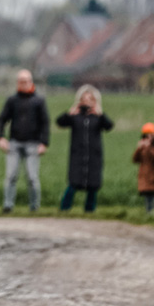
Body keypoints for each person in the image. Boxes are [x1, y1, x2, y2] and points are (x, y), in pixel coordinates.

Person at [55, 85, 114, 213]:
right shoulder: (75, 116)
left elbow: (109, 126)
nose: (87, 102)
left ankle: (89, 210)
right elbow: (59, 122)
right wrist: (69, 113)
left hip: (94, 155)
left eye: (90, 99)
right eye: (84, 99)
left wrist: (101, 114)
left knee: (93, 185)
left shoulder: (98, 117)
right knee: (73, 183)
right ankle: (64, 208)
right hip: (77, 155)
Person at [0, 71, 46, 211]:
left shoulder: (38, 101)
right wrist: (0, 137)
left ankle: (34, 206)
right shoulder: (12, 100)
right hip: (15, 143)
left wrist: (44, 142)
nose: (23, 84)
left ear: (31, 82)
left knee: (32, 177)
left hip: (33, 143)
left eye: (26, 81)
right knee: (11, 176)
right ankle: (8, 205)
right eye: (20, 81)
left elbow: (45, 122)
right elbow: (2, 119)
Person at [133, 123, 154, 214]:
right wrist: (139, 148)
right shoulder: (142, 147)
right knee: (148, 203)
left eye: (150, 135)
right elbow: (135, 159)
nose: (148, 138)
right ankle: (149, 218)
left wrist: (149, 147)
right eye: (146, 136)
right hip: (145, 179)